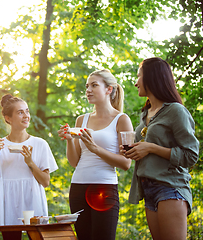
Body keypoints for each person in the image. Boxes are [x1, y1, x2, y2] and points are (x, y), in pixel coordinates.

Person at [125, 57, 199, 240]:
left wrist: (151, 148)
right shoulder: (145, 115)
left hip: (170, 187)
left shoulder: (176, 111)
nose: (135, 83)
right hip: (148, 188)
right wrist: (132, 151)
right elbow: (144, 151)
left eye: (138, 76)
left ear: (152, 77)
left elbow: (191, 156)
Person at [57, 69, 133, 240]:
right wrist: (69, 140)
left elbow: (126, 163)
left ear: (109, 89)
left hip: (104, 189)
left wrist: (95, 148)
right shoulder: (81, 120)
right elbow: (74, 161)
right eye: (87, 86)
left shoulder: (122, 119)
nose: (88, 90)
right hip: (78, 187)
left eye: (94, 85)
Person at [0, 94, 58, 226]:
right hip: (6, 201)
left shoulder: (40, 144)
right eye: (20, 112)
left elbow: (45, 181)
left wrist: (30, 162)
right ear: (8, 118)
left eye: (27, 111)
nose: (26, 116)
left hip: (32, 200)